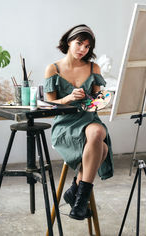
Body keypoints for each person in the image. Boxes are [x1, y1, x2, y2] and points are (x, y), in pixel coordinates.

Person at [44, 24, 114, 221]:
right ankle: (76, 192)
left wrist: (104, 99)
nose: (83, 49)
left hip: (89, 118)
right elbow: (49, 105)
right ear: (69, 42)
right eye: (79, 44)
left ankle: (79, 200)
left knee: (98, 133)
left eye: (87, 47)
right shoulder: (53, 69)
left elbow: (97, 100)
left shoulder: (94, 68)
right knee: (104, 149)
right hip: (65, 123)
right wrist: (68, 98)